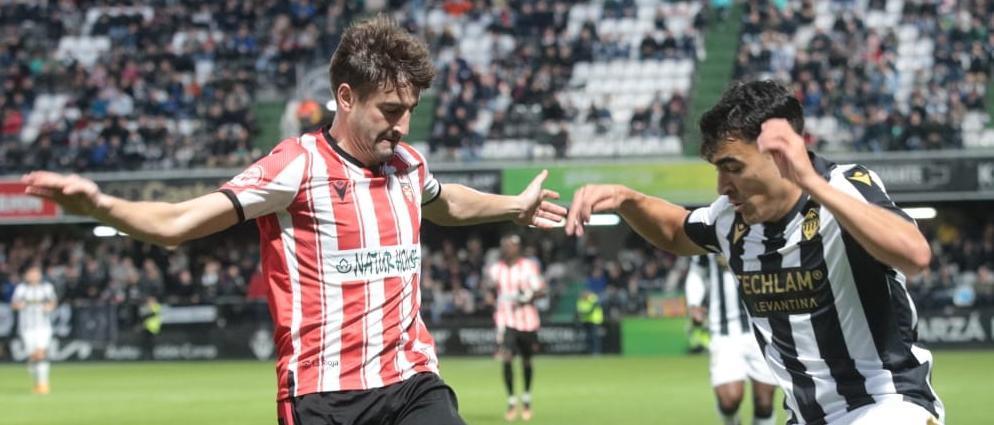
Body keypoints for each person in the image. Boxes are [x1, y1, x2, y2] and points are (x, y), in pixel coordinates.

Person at [20, 16, 567, 425]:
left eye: (411, 111)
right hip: (325, 395)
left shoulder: (408, 163)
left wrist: (512, 207)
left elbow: (444, 201)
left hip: (411, 381)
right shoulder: (296, 165)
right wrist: (100, 206)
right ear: (345, 97)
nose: (403, 126)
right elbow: (178, 222)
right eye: (391, 110)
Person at [565, 80, 944, 425]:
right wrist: (626, 199)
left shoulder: (843, 188)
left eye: (733, 168)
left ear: (781, 155)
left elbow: (914, 254)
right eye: (718, 169)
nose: (722, 186)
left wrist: (809, 180)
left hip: (888, 406)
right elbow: (674, 230)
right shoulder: (731, 220)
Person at [686, 254, 777, 425]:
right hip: (724, 329)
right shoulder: (709, 229)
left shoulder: (767, 228)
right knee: (729, 400)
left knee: (764, 402)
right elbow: (697, 268)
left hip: (763, 326)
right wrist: (694, 303)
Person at [484, 234, 545, 421]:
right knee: (507, 357)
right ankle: (511, 401)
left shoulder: (528, 267)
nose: (506, 249)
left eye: (510, 246)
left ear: (517, 248)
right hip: (506, 320)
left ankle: (526, 399)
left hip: (527, 321)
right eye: (504, 246)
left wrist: (528, 297)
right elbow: (489, 289)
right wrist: (489, 296)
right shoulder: (496, 269)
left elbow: (541, 289)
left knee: (527, 360)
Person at [11, 265, 57, 394]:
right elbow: (14, 304)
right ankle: (37, 378)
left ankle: (43, 384)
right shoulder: (21, 289)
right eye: (31, 273)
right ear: (27, 275)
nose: (33, 276)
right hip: (27, 327)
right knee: (33, 356)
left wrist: (49, 307)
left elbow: (53, 302)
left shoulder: (47, 288)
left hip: (43, 326)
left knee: (41, 353)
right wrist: (19, 306)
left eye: (36, 273)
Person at [575, 290, 603, 355]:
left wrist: (583, 313)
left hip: (595, 321)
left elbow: (592, 310)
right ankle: (590, 351)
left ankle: (596, 352)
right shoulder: (580, 300)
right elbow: (578, 311)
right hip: (586, 321)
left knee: (594, 337)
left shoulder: (593, 298)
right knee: (588, 337)